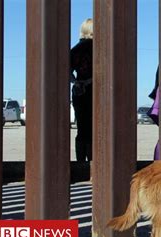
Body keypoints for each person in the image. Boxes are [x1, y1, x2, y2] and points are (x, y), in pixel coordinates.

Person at [70, 19, 93, 162]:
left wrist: (77, 82)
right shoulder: (98, 48)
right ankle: (92, 162)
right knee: (93, 128)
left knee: (82, 129)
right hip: (94, 91)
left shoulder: (76, 49)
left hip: (79, 92)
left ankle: (80, 163)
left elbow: (66, 70)